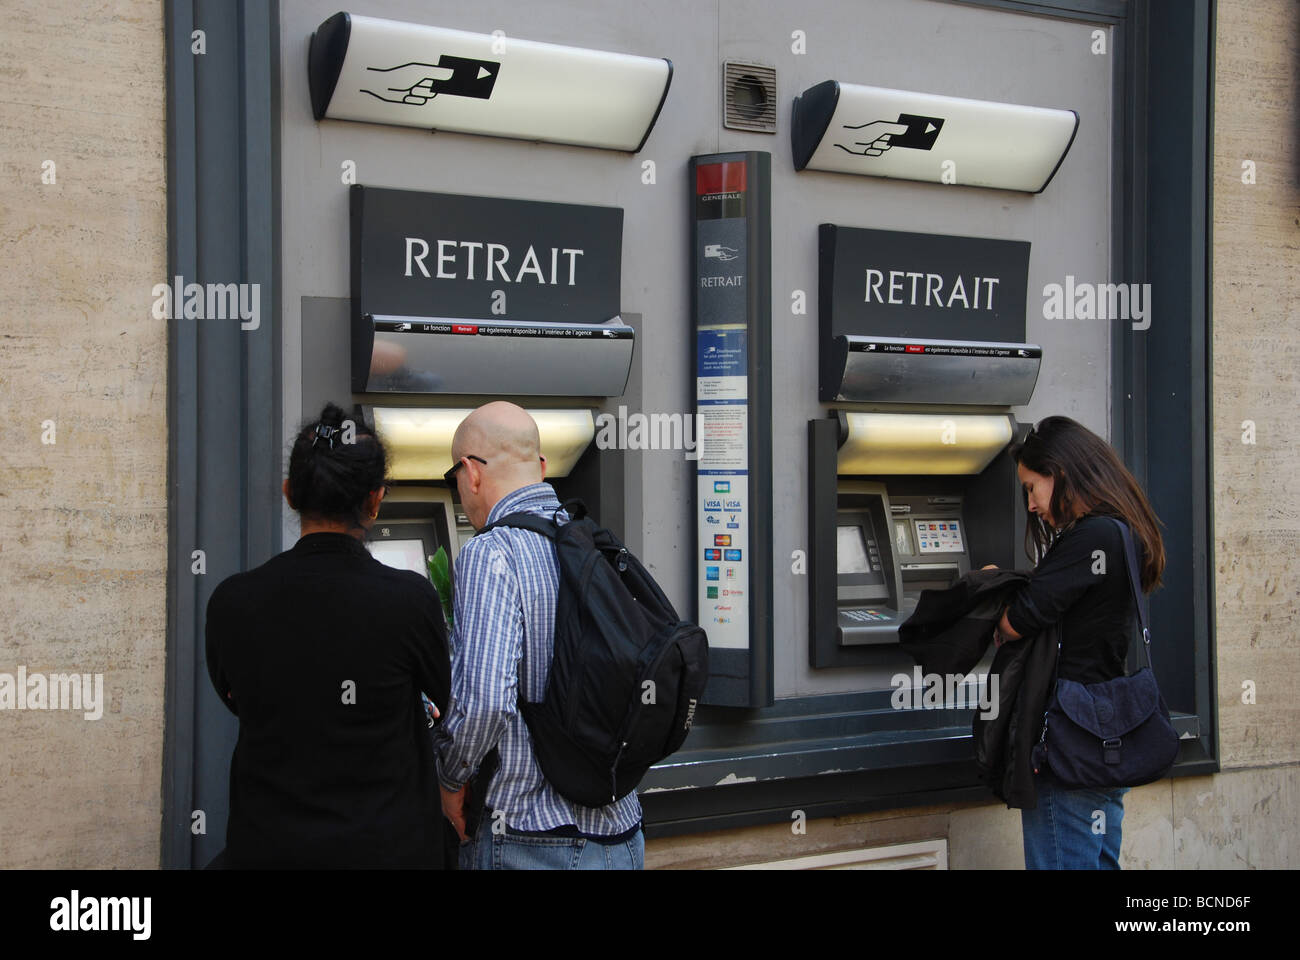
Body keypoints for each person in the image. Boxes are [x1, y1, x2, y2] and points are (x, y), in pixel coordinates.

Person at [205, 403, 451, 868]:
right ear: (376, 500)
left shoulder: (231, 601)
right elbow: (443, 702)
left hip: (269, 849)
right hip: (389, 851)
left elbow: (237, 697)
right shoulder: (410, 601)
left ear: (290, 494)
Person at [436, 401, 644, 869]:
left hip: (530, 839)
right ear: (544, 467)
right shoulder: (592, 541)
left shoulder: (490, 552)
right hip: (622, 833)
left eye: (454, 479)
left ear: (470, 473)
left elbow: (486, 701)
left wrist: (450, 781)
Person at [989, 415, 1165, 870]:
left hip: (1071, 742)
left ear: (1061, 473)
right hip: (1103, 735)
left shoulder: (1093, 536)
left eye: (1032, 487)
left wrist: (989, 589)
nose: (1030, 504)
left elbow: (1017, 622)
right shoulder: (1122, 531)